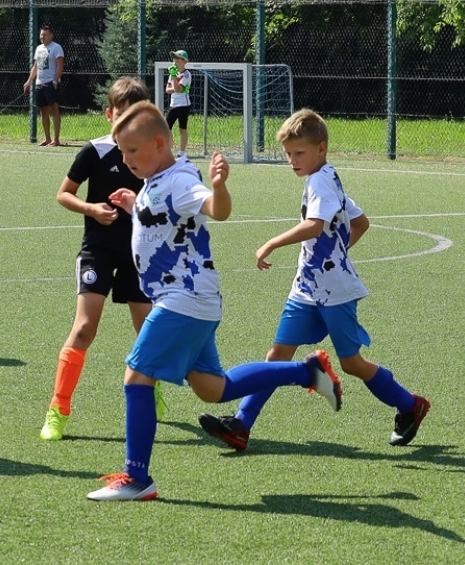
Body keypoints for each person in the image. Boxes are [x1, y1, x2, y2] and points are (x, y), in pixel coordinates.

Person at [89, 103, 340, 501]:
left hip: (182, 300)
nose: (126, 159)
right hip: (191, 301)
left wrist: (219, 187)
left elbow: (214, 209)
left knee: (136, 375)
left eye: (132, 151)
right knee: (213, 389)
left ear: (159, 143)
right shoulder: (159, 178)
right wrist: (132, 208)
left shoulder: (181, 180)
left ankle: (138, 478)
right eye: (122, 151)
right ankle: (307, 372)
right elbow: (164, 220)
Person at [199, 109, 430, 452]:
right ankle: (242, 425)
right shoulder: (326, 177)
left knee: (352, 364)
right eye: (289, 154)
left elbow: (316, 226)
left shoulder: (321, 181)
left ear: (320, 149)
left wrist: (272, 242)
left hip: (335, 290)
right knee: (277, 354)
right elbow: (361, 222)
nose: (292, 160)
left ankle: (410, 405)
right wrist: (336, 252)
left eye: (299, 153)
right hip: (307, 288)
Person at [40, 77, 164, 441]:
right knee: (84, 328)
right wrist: (91, 209)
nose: (128, 125)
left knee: (147, 331)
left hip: (141, 255)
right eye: (121, 116)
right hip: (98, 250)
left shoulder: (153, 158)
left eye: (136, 118)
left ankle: (151, 389)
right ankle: (58, 408)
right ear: (109, 114)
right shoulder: (94, 152)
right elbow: (64, 194)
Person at [21, 25, 65, 146]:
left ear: (51, 36)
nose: (42, 37)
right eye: (41, 34)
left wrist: (55, 80)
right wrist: (29, 82)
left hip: (51, 83)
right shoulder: (39, 48)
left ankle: (56, 139)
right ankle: (47, 139)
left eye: (45, 34)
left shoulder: (57, 48)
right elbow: (36, 67)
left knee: (54, 109)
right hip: (39, 84)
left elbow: (60, 66)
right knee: (43, 111)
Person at [164, 50, 194, 155]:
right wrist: (173, 78)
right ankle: (170, 150)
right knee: (166, 128)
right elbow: (167, 90)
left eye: (178, 59)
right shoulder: (173, 72)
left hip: (183, 105)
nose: (175, 61)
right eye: (174, 59)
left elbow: (177, 89)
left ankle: (181, 152)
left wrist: (173, 77)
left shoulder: (186, 75)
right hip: (173, 104)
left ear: (184, 61)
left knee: (182, 129)